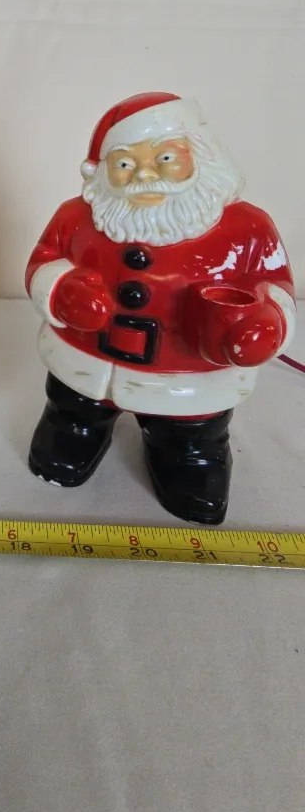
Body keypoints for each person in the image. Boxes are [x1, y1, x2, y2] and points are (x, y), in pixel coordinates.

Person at [25, 92, 296, 523]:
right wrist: (58, 289)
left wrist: (264, 322)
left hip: (189, 377)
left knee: (190, 432)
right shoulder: (74, 218)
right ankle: (74, 433)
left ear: (200, 155)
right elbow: (43, 260)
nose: (145, 174)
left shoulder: (248, 229)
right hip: (85, 361)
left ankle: (189, 458)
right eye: (125, 163)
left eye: (166, 157)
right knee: (73, 408)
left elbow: (275, 283)